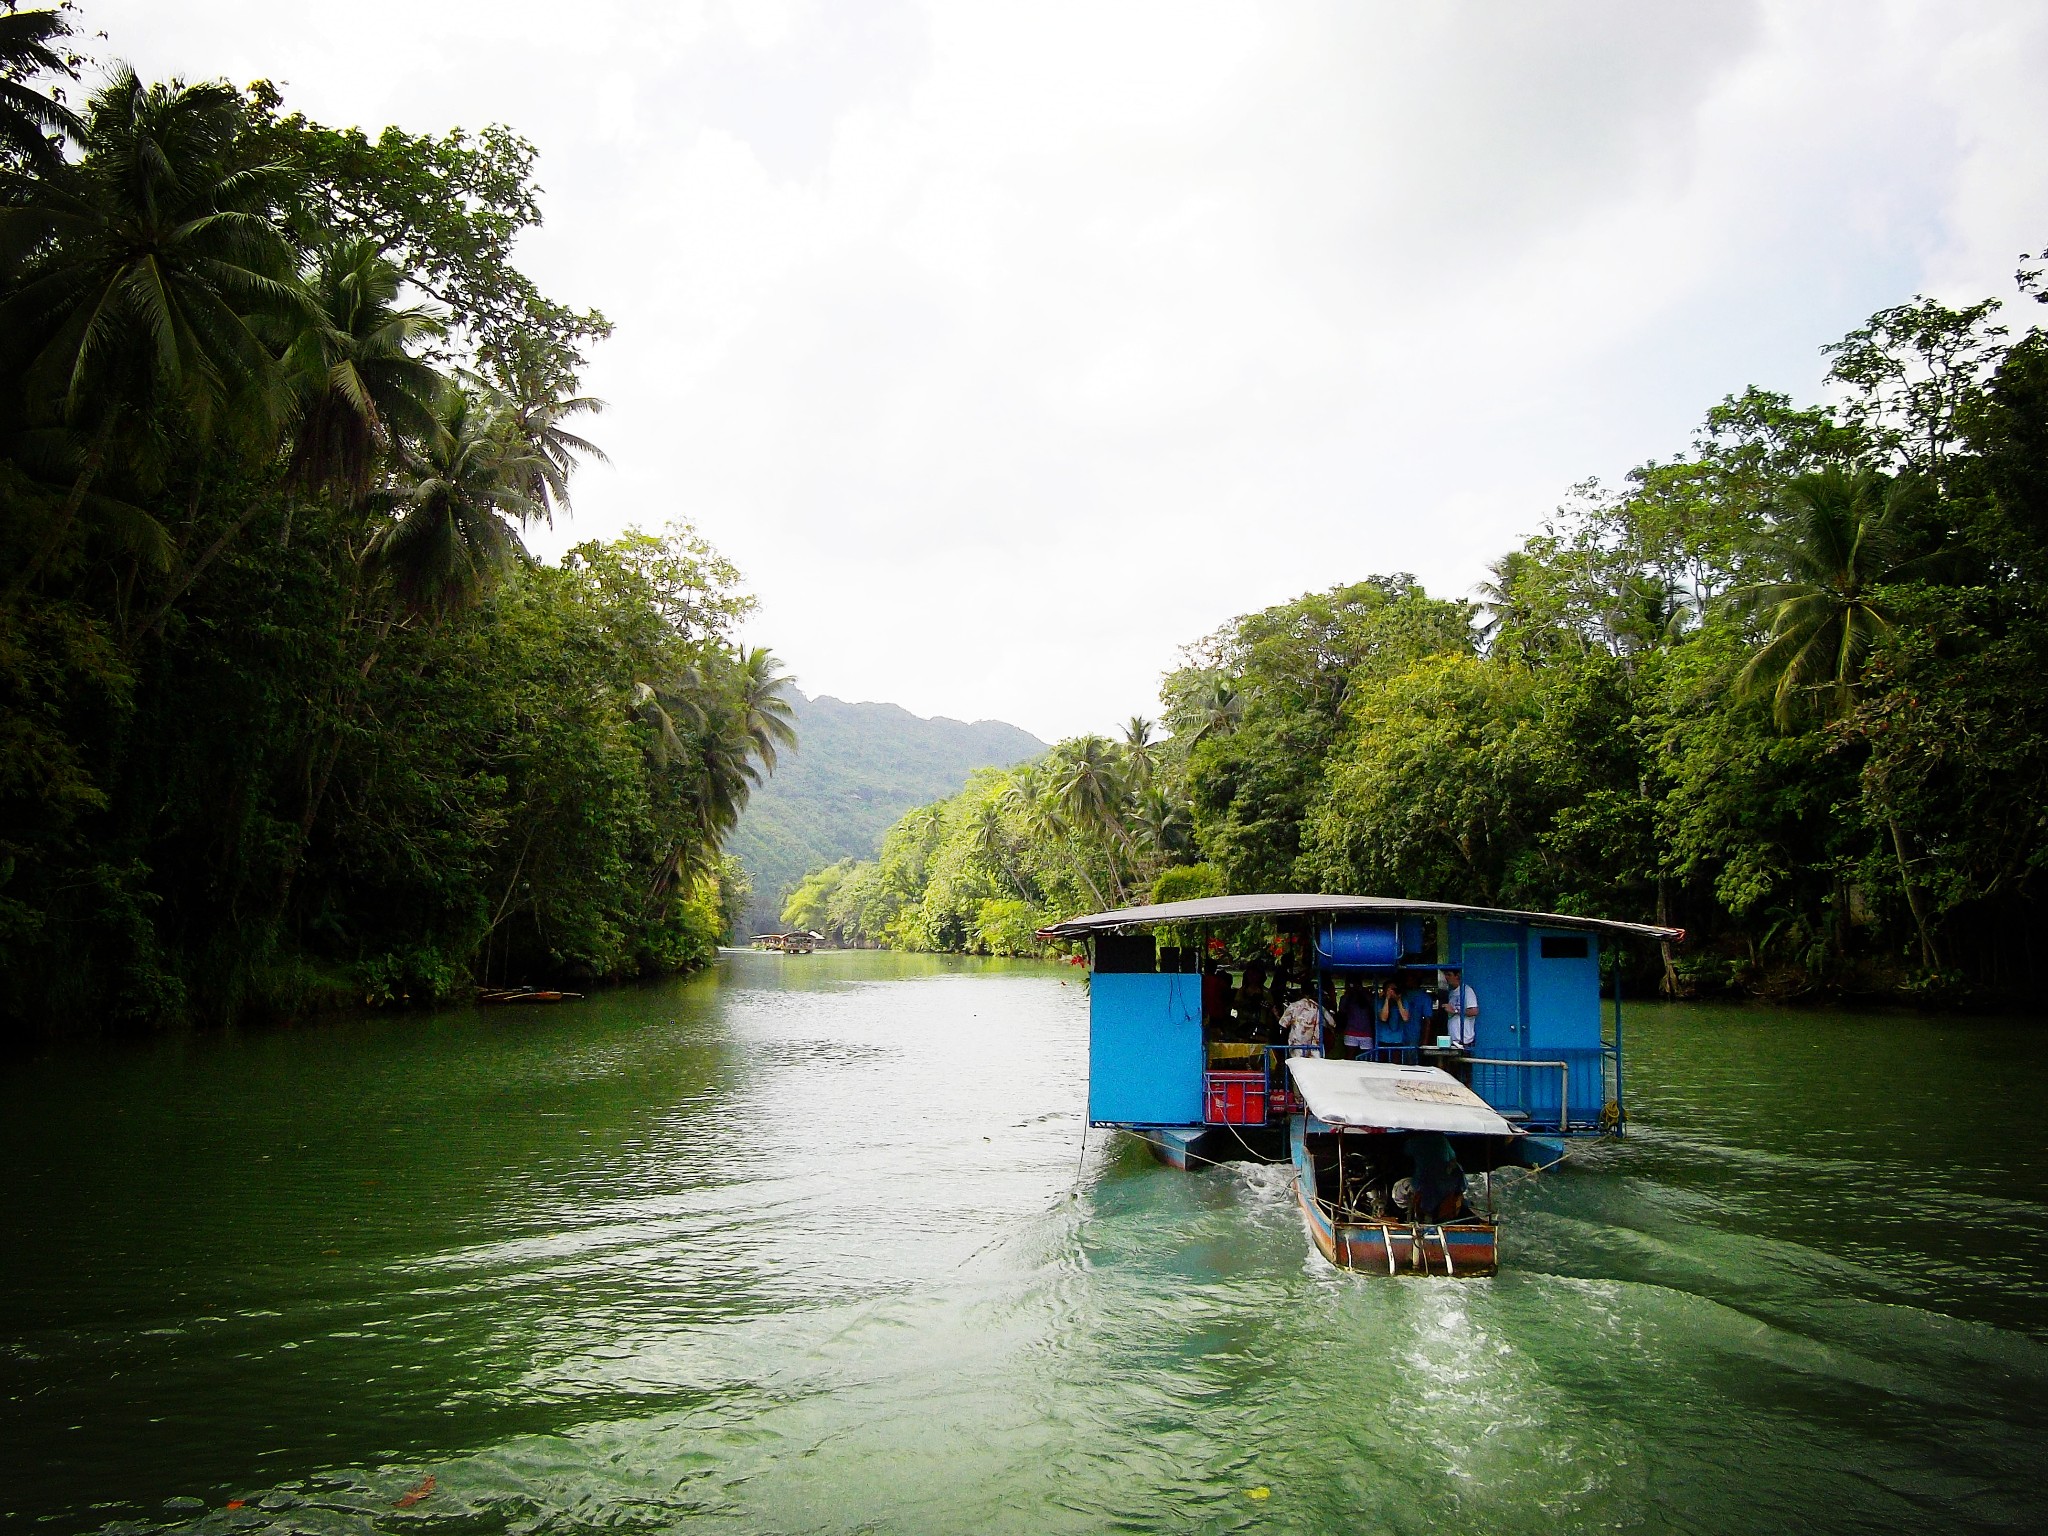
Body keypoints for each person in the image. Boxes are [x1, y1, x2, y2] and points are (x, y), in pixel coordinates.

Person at [1377, 973, 1419, 1062]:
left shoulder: (1404, 1001)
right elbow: (1383, 1018)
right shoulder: (1380, 1001)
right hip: (1383, 1040)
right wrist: (1387, 999)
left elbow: (1405, 1018)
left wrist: (1398, 1000)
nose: (1393, 992)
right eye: (1390, 989)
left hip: (1398, 1041)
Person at [1278, 989, 1330, 1056]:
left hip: (1297, 1045)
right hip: (1314, 1046)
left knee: (1298, 1065)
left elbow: (1283, 1024)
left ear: (1301, 992)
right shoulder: (1319, 1008)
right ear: (1313, 993)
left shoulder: (1293, 1006)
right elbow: (1332, 1023)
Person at [1335, 980, 1375, 1059]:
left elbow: (1372, 1005)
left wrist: (1363, 991)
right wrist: (1349, 993)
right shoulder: (1348, 997)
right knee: (1350, 1058)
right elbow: (1342, 1010)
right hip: (1352, 1031)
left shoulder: (1366, 996)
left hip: (1365, 1032)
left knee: (1366, 1058)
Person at [1441, 966, 1478, 1050]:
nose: (1446, 977)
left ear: (1457, 976)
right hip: (1453, 1039)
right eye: (1445, 975)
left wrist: (1454, 1010)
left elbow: (1474, 1011)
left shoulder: (1466, 990)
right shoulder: (1452, 993)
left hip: (1464, 1040)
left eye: (1449, 975)